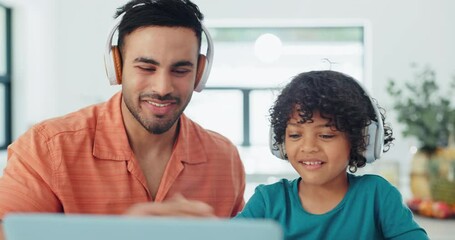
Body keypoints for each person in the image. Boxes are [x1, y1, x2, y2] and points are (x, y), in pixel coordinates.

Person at [0, 0, 245, 229]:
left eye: (180, 70)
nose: (162, 88)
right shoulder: (46, 148)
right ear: (117, 66)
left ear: (200, 73)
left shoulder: (224, 158)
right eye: (146, 68)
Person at [235, 70, 428, 239]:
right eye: (295, 135)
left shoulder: (377, 196)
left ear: (361, 140)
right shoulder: (268, 201)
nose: (308, 147)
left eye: (326, 135)